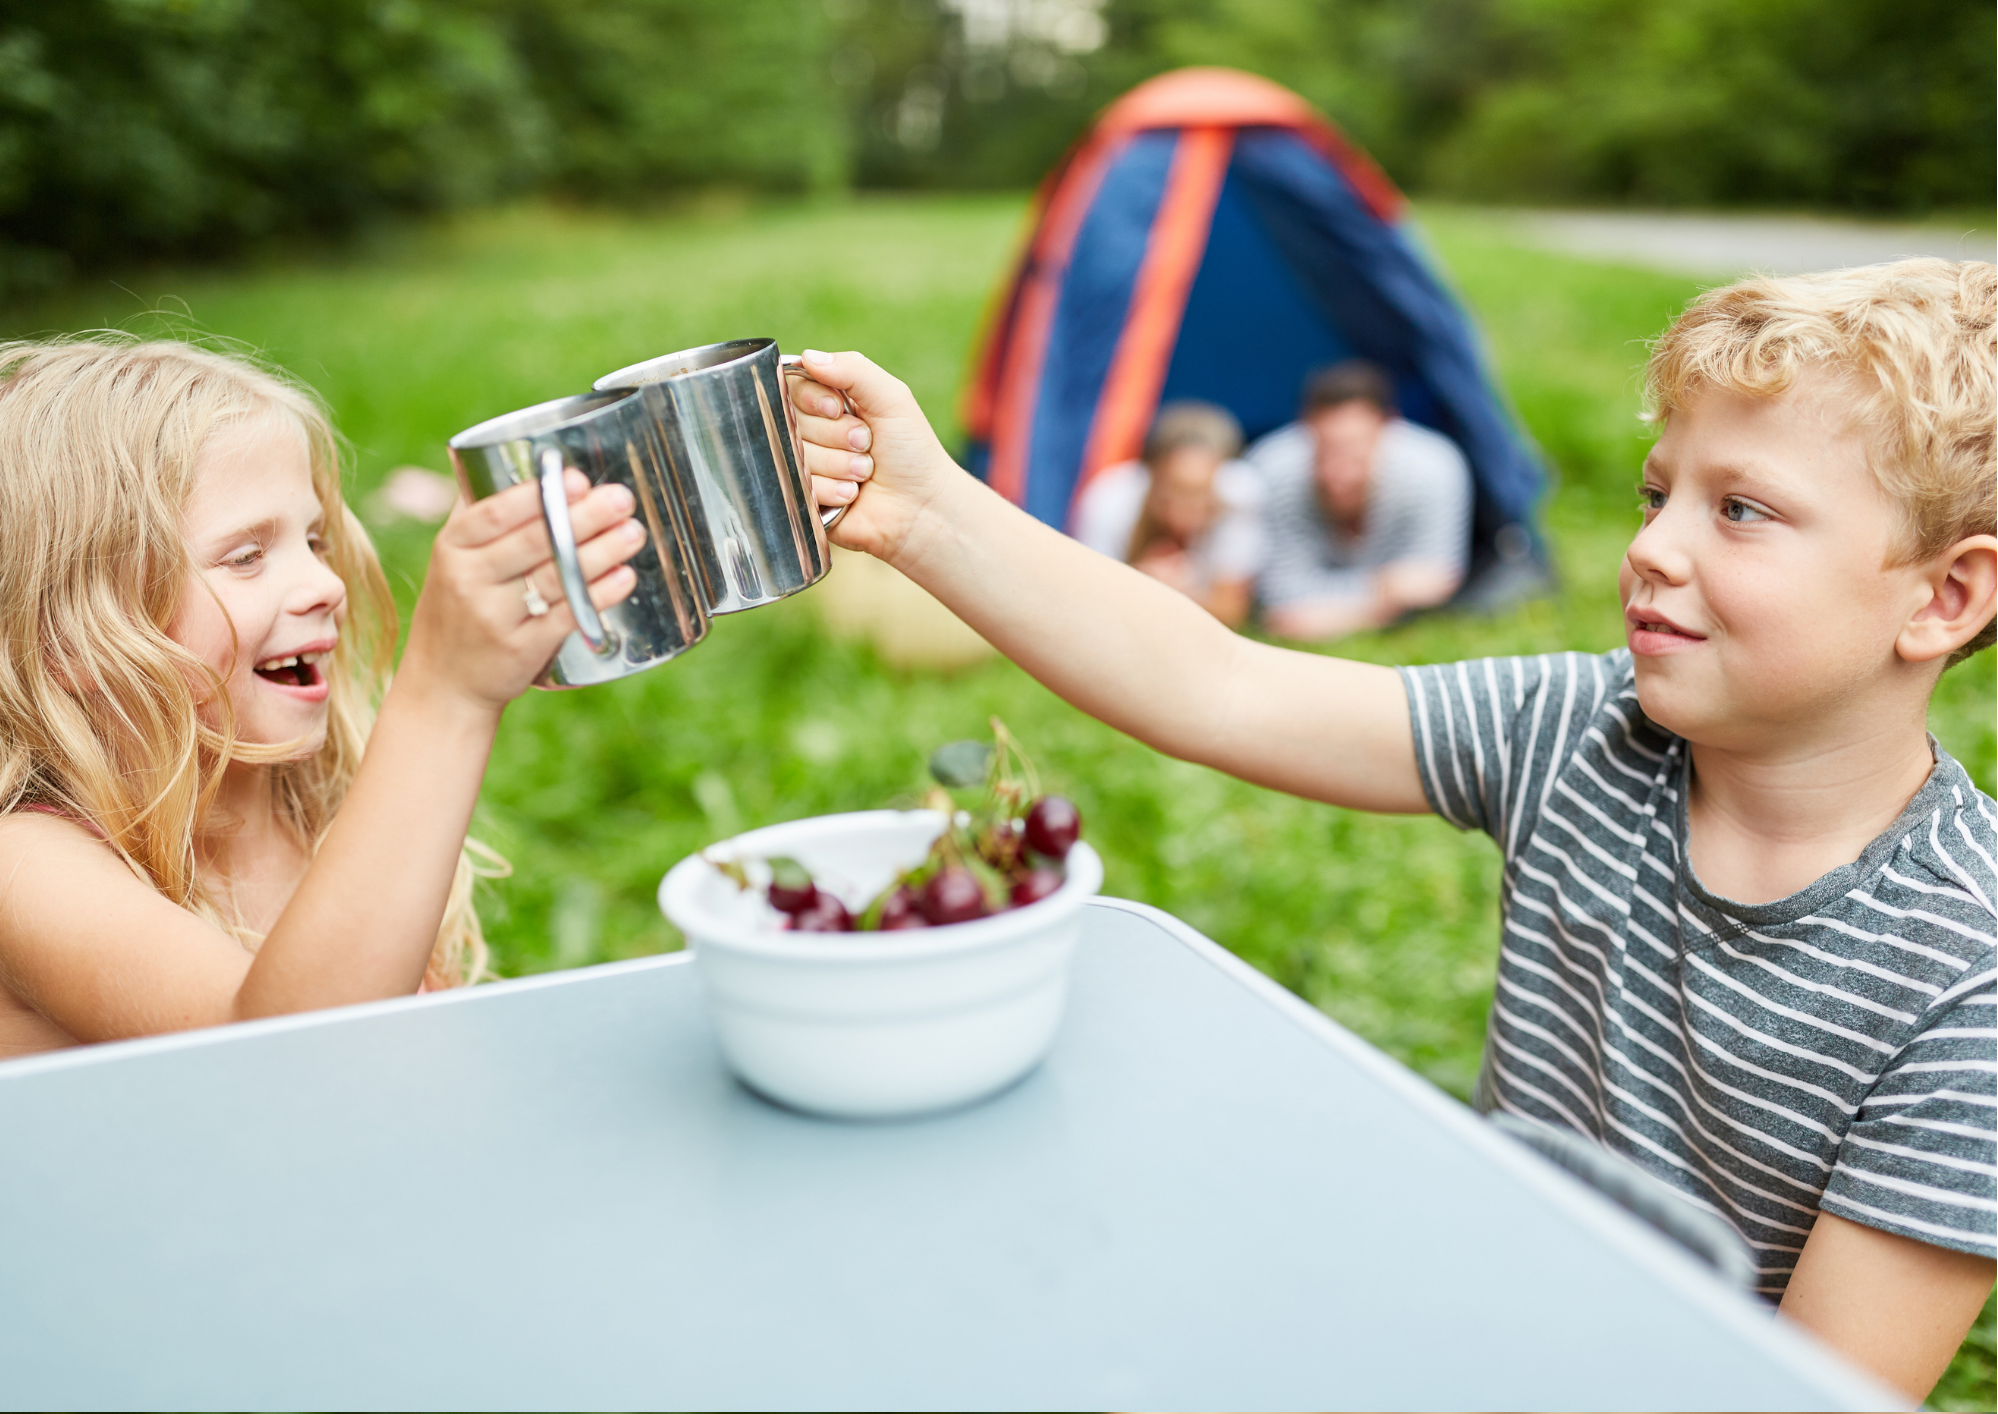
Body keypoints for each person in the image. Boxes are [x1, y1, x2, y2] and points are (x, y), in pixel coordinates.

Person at [794, 258, 1996, 1403]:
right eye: (1655, 491)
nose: (1648, 547)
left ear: (1941, 597)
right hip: (1455, 1328)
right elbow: (1218, 689)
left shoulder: (1967, 976)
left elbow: (1805, 1395)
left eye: (1737, 510)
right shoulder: (1576, 729)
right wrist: (923, 510)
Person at [0, 339, 650, 1058]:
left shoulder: (311, 804)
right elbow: (290, 1064)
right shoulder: (24, 868)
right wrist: (443, 697)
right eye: (247, 557)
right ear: (72, 644)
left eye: (314, 540)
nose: (326, 585)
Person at [1252, 360, 1472, 640]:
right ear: (1304, 431)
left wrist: (1322, 616)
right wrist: (1383, 595)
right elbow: (1279, 602)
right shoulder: (1270, 473)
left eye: (1353, 451)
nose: (1338, 473)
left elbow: (1437, 581)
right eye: (1326, 451)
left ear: (1389, 430)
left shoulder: (1435, 469)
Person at [1071, 401, 1263, 627]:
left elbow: (1233, 610)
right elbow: (1090, 599)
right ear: (1150, 472)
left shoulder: (1240, 495)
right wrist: (1144, 585)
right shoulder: (1109, 501)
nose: (1188, 511)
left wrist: (1174, 594)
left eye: (1201, 494)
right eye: (1176, 492)